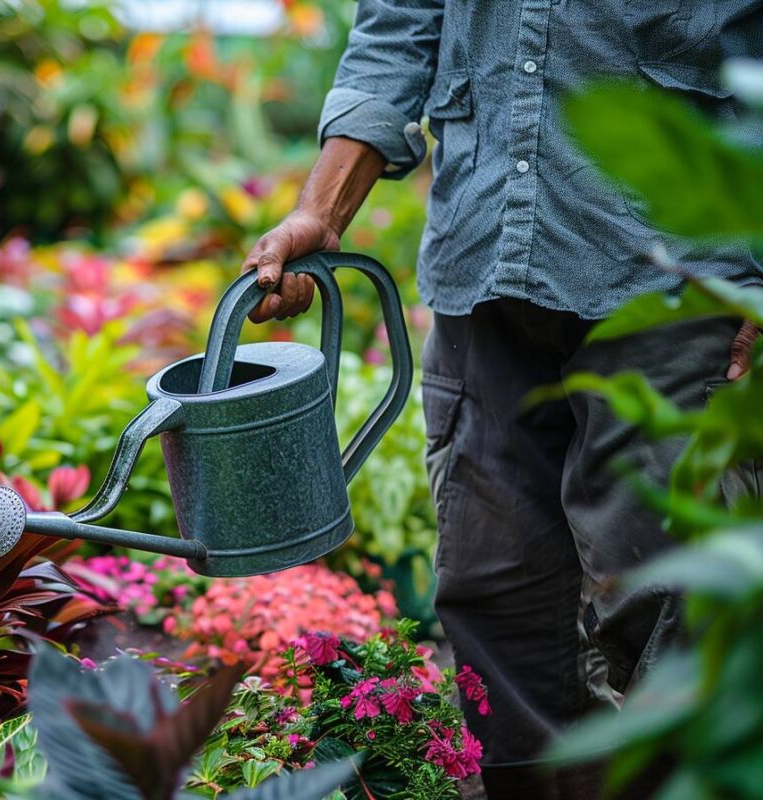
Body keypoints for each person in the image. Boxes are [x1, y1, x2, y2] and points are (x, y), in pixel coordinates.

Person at [242, 3, 762, 798]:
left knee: (670, 604)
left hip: (678, 277)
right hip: (486, 261)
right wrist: (321, 209)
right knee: (499, 597)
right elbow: (401, 20)